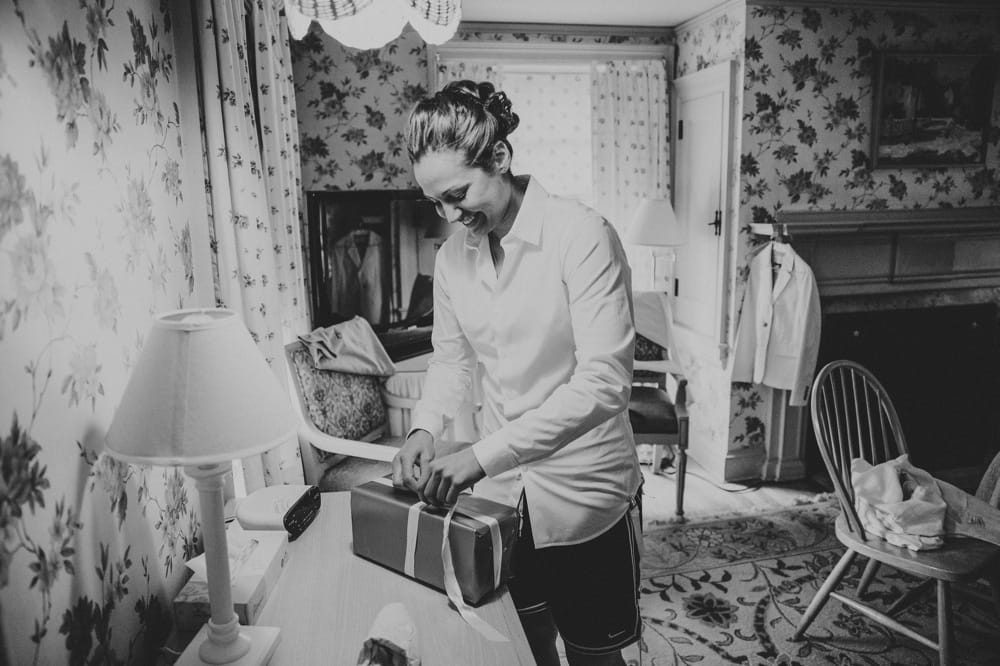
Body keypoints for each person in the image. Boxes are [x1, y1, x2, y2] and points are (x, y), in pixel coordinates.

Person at [391, 80, 642, 666]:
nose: (450, 216)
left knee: (593, 655)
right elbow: (451, 359)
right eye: (435, 203)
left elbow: (606, 380)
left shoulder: (582, 235)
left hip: (585, 495)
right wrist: (425, 428)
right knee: (522, 647)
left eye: (458, 194)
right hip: (502, 499)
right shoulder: (452, 258)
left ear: (500, 157)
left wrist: (481, 457)